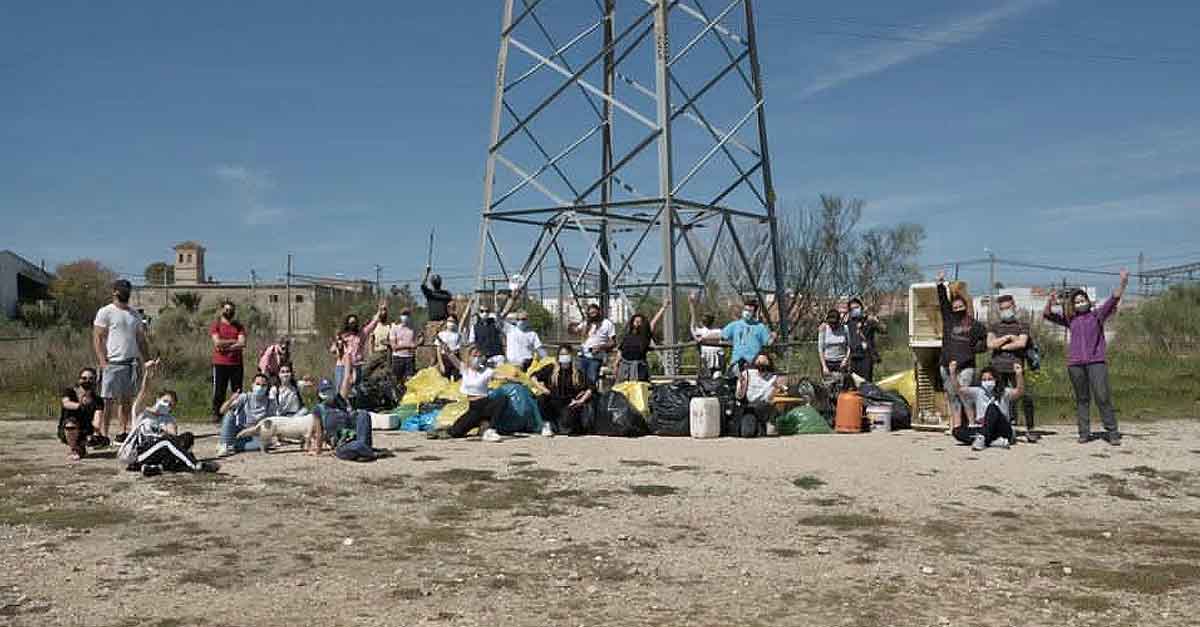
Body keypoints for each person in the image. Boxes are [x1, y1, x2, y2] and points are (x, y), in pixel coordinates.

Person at [1043, 270, 1130, 445]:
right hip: (1075, 364)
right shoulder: (1070, 319)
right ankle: (1084, 433)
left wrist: (1123, 282)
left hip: (1096, 362)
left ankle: (1112, 432)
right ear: (1072, 305)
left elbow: (1114, 299)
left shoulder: (1097, 315)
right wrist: (1050, 301)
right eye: (1076, 302)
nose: (1080, 303)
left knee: (1102, 396)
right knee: (1082, 399)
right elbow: (1047, 315)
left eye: (1082, 300)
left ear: (1088, 301)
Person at [117, 359, 213, 475]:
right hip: (140, 453)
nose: (167, 405)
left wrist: (166, 427)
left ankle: (156, 468)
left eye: (171, 405)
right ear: (158, 399)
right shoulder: (141, 412)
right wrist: (148, 373)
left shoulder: (168, 418)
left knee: (187, 438)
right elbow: (144, 391)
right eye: (165, 401)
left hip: (160, 452)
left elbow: (174, 435)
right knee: (166, 442)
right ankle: (195, 465)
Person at [93, 279, 149, 442]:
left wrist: (147, 360)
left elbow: (141, 340)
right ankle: (103, 434)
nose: (126, 293)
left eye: (127, 290)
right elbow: (97, 337)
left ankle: (122, 431)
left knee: (126, 400)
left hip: (130, 363)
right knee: (107, 400)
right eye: (122, 290)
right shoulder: (106, 312)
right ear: (115, 291)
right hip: (112, 363)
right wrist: (103, 362)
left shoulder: (134, 314)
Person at [429, 342, 514, 442]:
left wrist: (513, 378)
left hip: (486, 404)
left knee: (502, 398)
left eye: (479, 356)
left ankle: (490, 430)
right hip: (473, 408)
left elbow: (501, 376)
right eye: (474, 356)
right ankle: (445, 430)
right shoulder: (465, 370)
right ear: (469, 357)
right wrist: (447, 351)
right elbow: (452, 357)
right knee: (455, 432)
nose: (477, 358)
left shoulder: (487, 371)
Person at [936, 270, 987, 424]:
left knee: (964, 395)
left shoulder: (973, 324)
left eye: (960, 306)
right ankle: (956, 426)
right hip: (946, 365)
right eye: (955, 307)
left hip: (965, 366)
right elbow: (943, 301)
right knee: (952, 396)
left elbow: (985, 340)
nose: (957, 309)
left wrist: (974, 349)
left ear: (965, 306)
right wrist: (940, 284)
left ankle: (971, 424)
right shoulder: (949, 319)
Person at [988, 295, 1038, 443]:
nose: (1005, 311)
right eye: (1002, 309)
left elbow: (1022, 343)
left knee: (1025, 396)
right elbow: (990, 344)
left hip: (1016, 367)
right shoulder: (994, 326)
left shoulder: (1022, 325)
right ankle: (1005, 427)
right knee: (1000, 398)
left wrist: (1001, 345)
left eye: (1008, 308)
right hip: (997, 367)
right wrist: (1008, 337)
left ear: (1014, 306)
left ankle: (1030, 428)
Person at [947, 361, 1025, 451]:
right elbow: (959, 389)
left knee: (992, 407)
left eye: (990, 379)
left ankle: (983, 439)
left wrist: (1019, 374)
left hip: (1002, 429)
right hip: (984, 428)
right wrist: (952, 373)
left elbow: (1019, 391)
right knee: (957, 431)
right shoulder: (978, 391)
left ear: (996, 379)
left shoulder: (1004, 392)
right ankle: (994, 442)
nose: (987, 382)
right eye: (984, 379)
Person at [308, 377, 379, 461]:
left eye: (330, 390)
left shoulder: (340, 401)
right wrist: (317, 451)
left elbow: (347, 381)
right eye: (325, 391)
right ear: (320, 394)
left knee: (363, 414)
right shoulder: (318, 409)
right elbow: (319, 433)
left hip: (354, 437)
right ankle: (367, 451)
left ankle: (365, 451)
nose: (328, 394)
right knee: (357, 446)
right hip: (342, 445)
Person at [533, 345, 594, 436]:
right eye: (562, 354)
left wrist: (581, 401)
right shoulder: (551, 368)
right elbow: (533, 377)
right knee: (541, 398)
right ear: (558, 356)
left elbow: (590, 387)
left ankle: (563, 425)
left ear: (571, 356)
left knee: (566, 430)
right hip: (553, 402)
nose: (564, 356)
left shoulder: (577, 372)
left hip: (569, 404)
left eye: (566, 354)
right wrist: (543, 389)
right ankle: (547, 425)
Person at [329, 301, 386, 393]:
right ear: (347, 324)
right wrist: (338, 345)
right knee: (340, 388)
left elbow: (373, 323)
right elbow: (332, 350)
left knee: (355, 389)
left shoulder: (361, 334)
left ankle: (353, 406)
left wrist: (379, 311)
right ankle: (340, 406)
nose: (353, 324)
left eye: (354, 322)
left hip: (356, 365)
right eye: (351, 323)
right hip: (342, 366)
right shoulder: (342, 335)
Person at [216, 372, 278, 456]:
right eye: (258, 384)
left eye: (264, 385)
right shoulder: (244, 397)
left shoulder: (270, 402)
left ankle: (231, 445)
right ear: (252, 385)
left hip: (255, 434)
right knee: (229, 415)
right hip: (239, 431)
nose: (260, 387)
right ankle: (225, 445)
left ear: (267, 388)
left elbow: (271, 424)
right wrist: (231, 400)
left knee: (267, 443)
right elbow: (222, 411)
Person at [210, 300, 247, 424]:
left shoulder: (239, 326)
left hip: (236, 363)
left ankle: (237, 415)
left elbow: (242, 343)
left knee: (237, 391)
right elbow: (217, 342)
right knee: (219, 390)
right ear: (221, 310)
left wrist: (225, 345)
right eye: (226, 309)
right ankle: (217, 414)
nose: (229, 312)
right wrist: (233, 341)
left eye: (231, 310)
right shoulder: (216, 325)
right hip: (220, 363)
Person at [615, 300, 668, 382]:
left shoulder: (645, 334)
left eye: (640, 322)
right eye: (636, 321)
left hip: (638, 366)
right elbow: (620, 349)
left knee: (638, 389)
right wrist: (616, 363)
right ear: (632, 323)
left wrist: (663, 308)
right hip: (624, 365)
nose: (638, 323)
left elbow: (654, 322)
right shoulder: (627, 335)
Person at [59, 367, 105, 461]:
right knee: (70, 424)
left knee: (88, 438)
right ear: (79, 380)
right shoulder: (70, 392)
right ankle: (74, 449)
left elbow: (97, 420)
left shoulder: (98, 400)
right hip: (66, 428)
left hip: (85, 429)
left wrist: (95, 434)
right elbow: (66, 403)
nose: (87, 381)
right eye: (84, 378)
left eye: (90, 378)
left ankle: (80, 446)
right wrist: (81, 406)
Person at [736, 352, 787, 429]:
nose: (761, 367)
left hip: (766, 407)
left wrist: (779, 388)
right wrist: (742, 385)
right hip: (749, 408)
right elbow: (739, 395)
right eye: (759, 363)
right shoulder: (747, 374)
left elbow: (784, 392)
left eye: (764, 364)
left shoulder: (774, 378)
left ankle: (772, 422)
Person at [573, 304, 618, 385]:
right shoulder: (586, 323)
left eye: (594, 313)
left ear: (599, 312)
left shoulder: (607, 323)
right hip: (582, 356)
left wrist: (601, 347)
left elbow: (613, 342)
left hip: (595, 358)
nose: (592, 315)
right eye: (590, 314)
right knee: (580, 381)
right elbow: (573, 330)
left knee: (591, 381)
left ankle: (592, 396)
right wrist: (574, 329)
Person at [421, 266, 454, 364]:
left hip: (441, 323)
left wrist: (427, 272)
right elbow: (422, 286)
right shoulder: (444, 294)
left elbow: (422, 285)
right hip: (435, 324)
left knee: (443, 347)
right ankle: (433, 364)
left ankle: (444, 364)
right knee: (433, 347)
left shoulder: (432, 294)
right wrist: (427, 273)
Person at [688, 294, 725, 377]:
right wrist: (691, 306)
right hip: (705, 363)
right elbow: (693, 327)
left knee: (717, 379)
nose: (705, 320)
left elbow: (720, 336)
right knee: (706, 382)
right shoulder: (701, 331)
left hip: (717, 363)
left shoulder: (718, 331)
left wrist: (704, 338)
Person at [845, 297, 882, 382]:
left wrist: (876, 321)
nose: (855, 310)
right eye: (852, 309)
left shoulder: (869, 321)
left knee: (866, 383)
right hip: (854, 357)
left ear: (861, 308)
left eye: (856, 307)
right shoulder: (849, 322)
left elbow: (883, 330)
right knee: (855, 383)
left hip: (866, 357)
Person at [387, 309, 423, 386]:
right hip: (398, 358)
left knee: (410, 381)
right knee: (397, 381)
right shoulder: (394, 328)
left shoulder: (414, 328)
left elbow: (421, 337)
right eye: (403, 314)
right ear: (400, 316)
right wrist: (409, 346)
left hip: (410, 358)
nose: (405, 317)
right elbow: (394, 347)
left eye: (407, 314)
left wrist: (418, 343)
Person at [817, 308, 850, 377]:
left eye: (835, 323)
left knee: (842, 385)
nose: (833, 325)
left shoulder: (845, 328)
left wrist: (845, 360)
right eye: (831, 323)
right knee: (828, 385)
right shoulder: (823, 329)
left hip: (841, 362)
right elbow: (820, 349)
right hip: (828, 362)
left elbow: (849, 346)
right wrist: (824, 366)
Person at [366, 305, 394, 379]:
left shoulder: (391, 326)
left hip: (387, 354)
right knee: (366, 371)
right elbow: (371, 340)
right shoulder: (374, 326)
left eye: (384, 310)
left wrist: (388, 343)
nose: (383, 312)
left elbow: (393, 342)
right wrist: (370, 353)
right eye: (381, 310)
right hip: (376, 353)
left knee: (386, 375)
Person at [436, 313, 464, 380]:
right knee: (444, 380)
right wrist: (441, 364)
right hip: (445, 358)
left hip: (455, 358)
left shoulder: (458, 335)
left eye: (452, 321)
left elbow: (460, 348)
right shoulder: (441, 334)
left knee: (456, 379)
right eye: (449, 321)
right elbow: (438, 350)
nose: (450, 323)